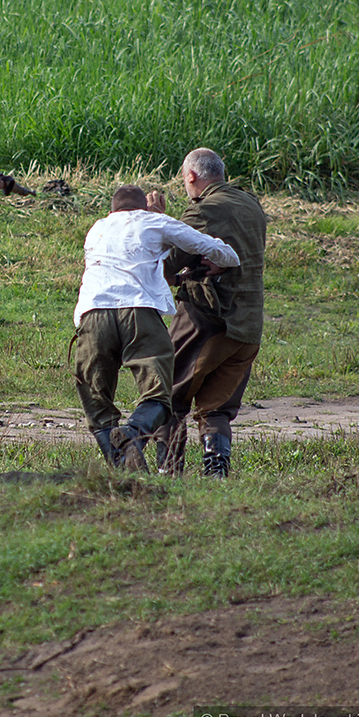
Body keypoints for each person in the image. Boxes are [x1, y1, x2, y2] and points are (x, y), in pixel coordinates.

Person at [73, 184, 240, 471]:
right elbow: (216, 249)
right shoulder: (155, 220)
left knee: (97, 403)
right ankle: (132, 434)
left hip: (92, 315)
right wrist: (224, 263)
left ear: (112, 210)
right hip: (139, 314)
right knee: (159, 397)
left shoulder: (96, 228)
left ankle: (127, 470)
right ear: (143, 208)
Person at [150, 148, 268, 477]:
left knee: (167, 395)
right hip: (248, 325)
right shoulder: (252, 205)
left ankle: (168, 471)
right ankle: (216, 473)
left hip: (207, 319)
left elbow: (162, 264)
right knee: (215, 408)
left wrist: (157, 222)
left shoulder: (203, 211)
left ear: (191, 177)